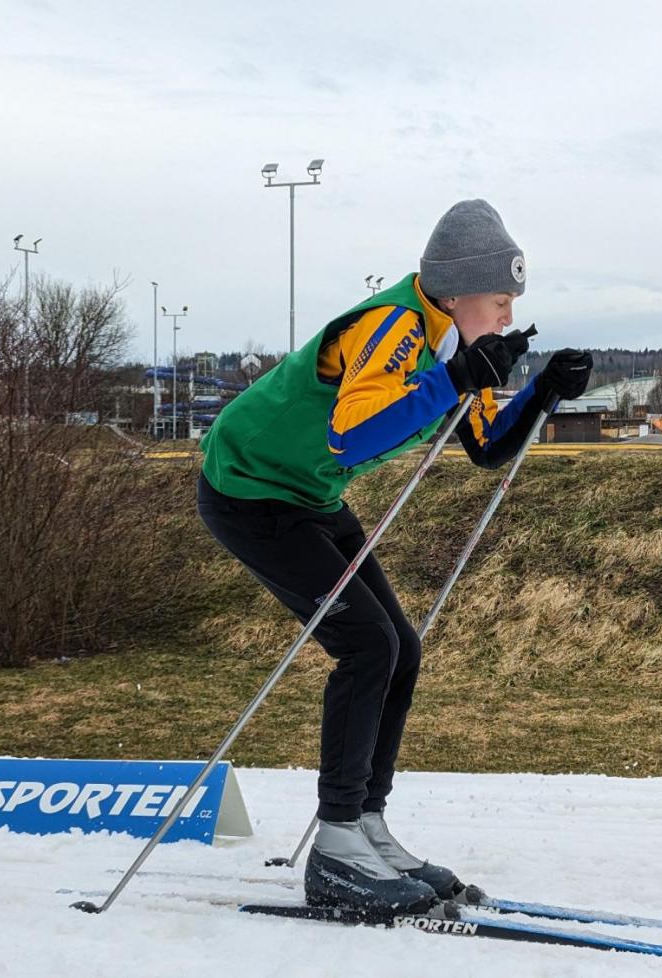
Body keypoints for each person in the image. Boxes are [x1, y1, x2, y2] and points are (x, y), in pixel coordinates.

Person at [198, 200, 592, 912]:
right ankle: (337, 845)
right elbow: (354, 433)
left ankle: (366, 825)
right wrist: (457, 377)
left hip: (307, 495)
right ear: (456, 292)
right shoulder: (397, 327)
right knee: (367, 645)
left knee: (400, 649)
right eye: (499, 302)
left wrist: (542, 392)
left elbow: (484, 447)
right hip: (248, 491)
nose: (506, 317)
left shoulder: (447, 345)